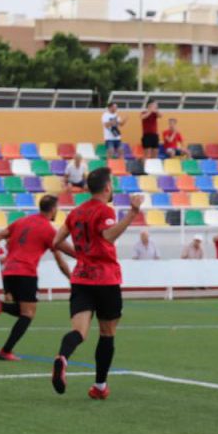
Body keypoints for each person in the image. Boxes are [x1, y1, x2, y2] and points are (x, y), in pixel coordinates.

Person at [50, 167, 142, 399]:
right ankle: (100, 386)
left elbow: (56, 241)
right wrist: (132, 213)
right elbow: (108, 235)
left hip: (81, 278)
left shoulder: (76, 213)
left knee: (79, 331)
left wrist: (81, 256)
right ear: (107, 187)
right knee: (107, 333)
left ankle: (62, 357)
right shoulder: (104, 211)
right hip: (106, 279)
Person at [0, 195, 72, 361]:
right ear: (54, 209)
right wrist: (73, 278)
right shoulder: (48, 230)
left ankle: (1, 307)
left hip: (9, 272)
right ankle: (6, 350)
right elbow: (61, 261)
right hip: (25, 273)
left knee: (23, 310)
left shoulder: (22, 221)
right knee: (28, 314)